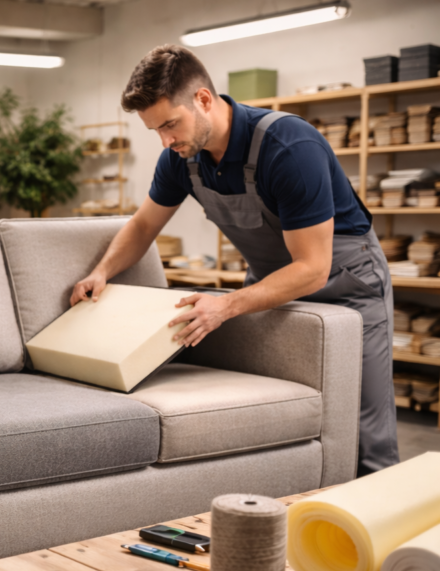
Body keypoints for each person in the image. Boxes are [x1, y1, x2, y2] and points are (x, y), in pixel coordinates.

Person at [70, 44, 396, 478]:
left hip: (347, 283)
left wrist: (226, 304)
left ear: (204, 99)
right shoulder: (180, 160)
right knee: (280, 409)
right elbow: (143, 227)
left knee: (364, 428)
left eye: (170, 124)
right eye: (156, 131)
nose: (166, 141)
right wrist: (102, 271)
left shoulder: (288, 146)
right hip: (270, 288)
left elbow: (313, 267)